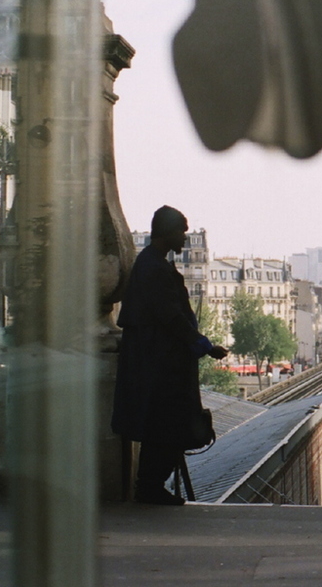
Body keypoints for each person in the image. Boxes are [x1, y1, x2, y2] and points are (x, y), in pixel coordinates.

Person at [111, 206, 228, 505]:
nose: (185, 239)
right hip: (160, 364)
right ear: (167, 231)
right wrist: (204, 345)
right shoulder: (156, 269)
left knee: (161, 425)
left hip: (157, 360)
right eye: (181, 232)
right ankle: (149, 486)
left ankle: (149, 484)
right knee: (167, 424)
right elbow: (172, 317)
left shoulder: (151, 264)